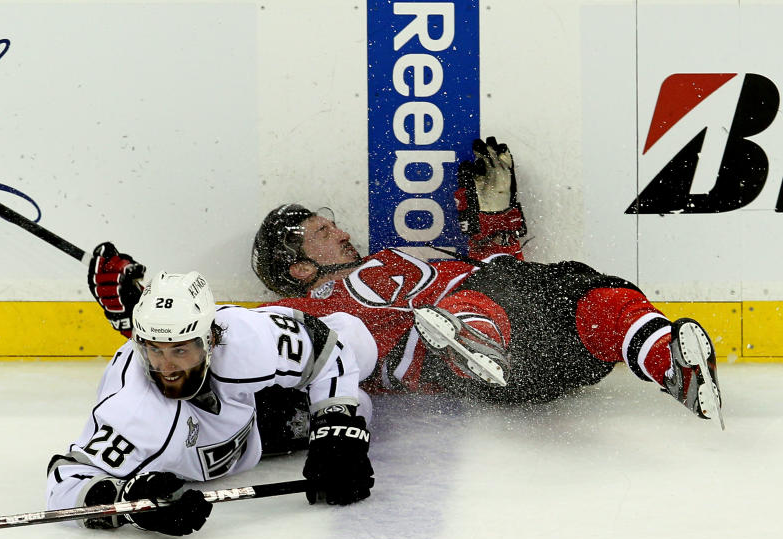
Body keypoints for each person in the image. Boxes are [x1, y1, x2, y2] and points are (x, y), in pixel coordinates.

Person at [88, 138, 722, 426]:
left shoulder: (393, 255)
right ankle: (471, 341)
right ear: (301, 268)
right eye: (318, 233)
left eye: (328, 223)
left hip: (531, 343)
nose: (337, 231)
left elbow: (499, 269)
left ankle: (669, 361)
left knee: (583, 288)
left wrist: (497, 216)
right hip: (453, 362)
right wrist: (141, 302)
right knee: (471, 305)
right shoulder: (303, 310)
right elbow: (220, 333)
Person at [48, 270, 377, 536]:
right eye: (155, 350)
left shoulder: (243, 339)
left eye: (180, 350)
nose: (167, 369)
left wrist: (336, 426)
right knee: (362, 404)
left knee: (353, 338)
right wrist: (130, 503)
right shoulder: (135, 412)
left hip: (241, 402)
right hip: (247, 435)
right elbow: (65, 483)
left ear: (211, 339)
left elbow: (327, 351)